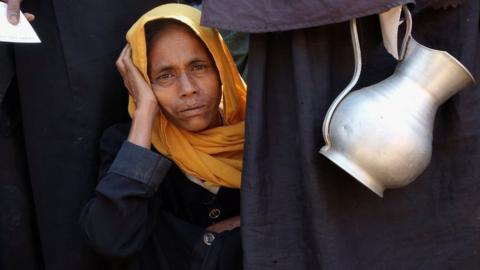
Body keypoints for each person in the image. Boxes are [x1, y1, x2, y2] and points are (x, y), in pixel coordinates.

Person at [81, 4, 246, 270]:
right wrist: (144, 111)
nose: (188, 89)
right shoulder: (131, 144)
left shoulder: (256, 133)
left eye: (199, 66)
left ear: (221, 68)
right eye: (164, 76)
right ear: (143, 83)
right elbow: (111, 239)